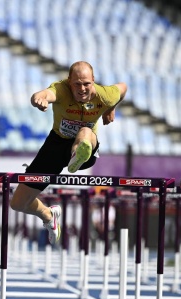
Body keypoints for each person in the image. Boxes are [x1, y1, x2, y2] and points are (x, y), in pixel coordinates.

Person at [9, 61, 127, 245]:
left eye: (87, 83)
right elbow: (45, 94)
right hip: (56, 145)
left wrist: (111, 108)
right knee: (17, 203)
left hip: (86, 144)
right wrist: (38, 98)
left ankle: (77, 155)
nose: (82, 89)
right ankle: (48, 214)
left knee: (86, 133)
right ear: (68, 81)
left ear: (93, 81)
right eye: (77, 84)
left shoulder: (105, 94)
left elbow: (123, 88)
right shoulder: (61, 89)